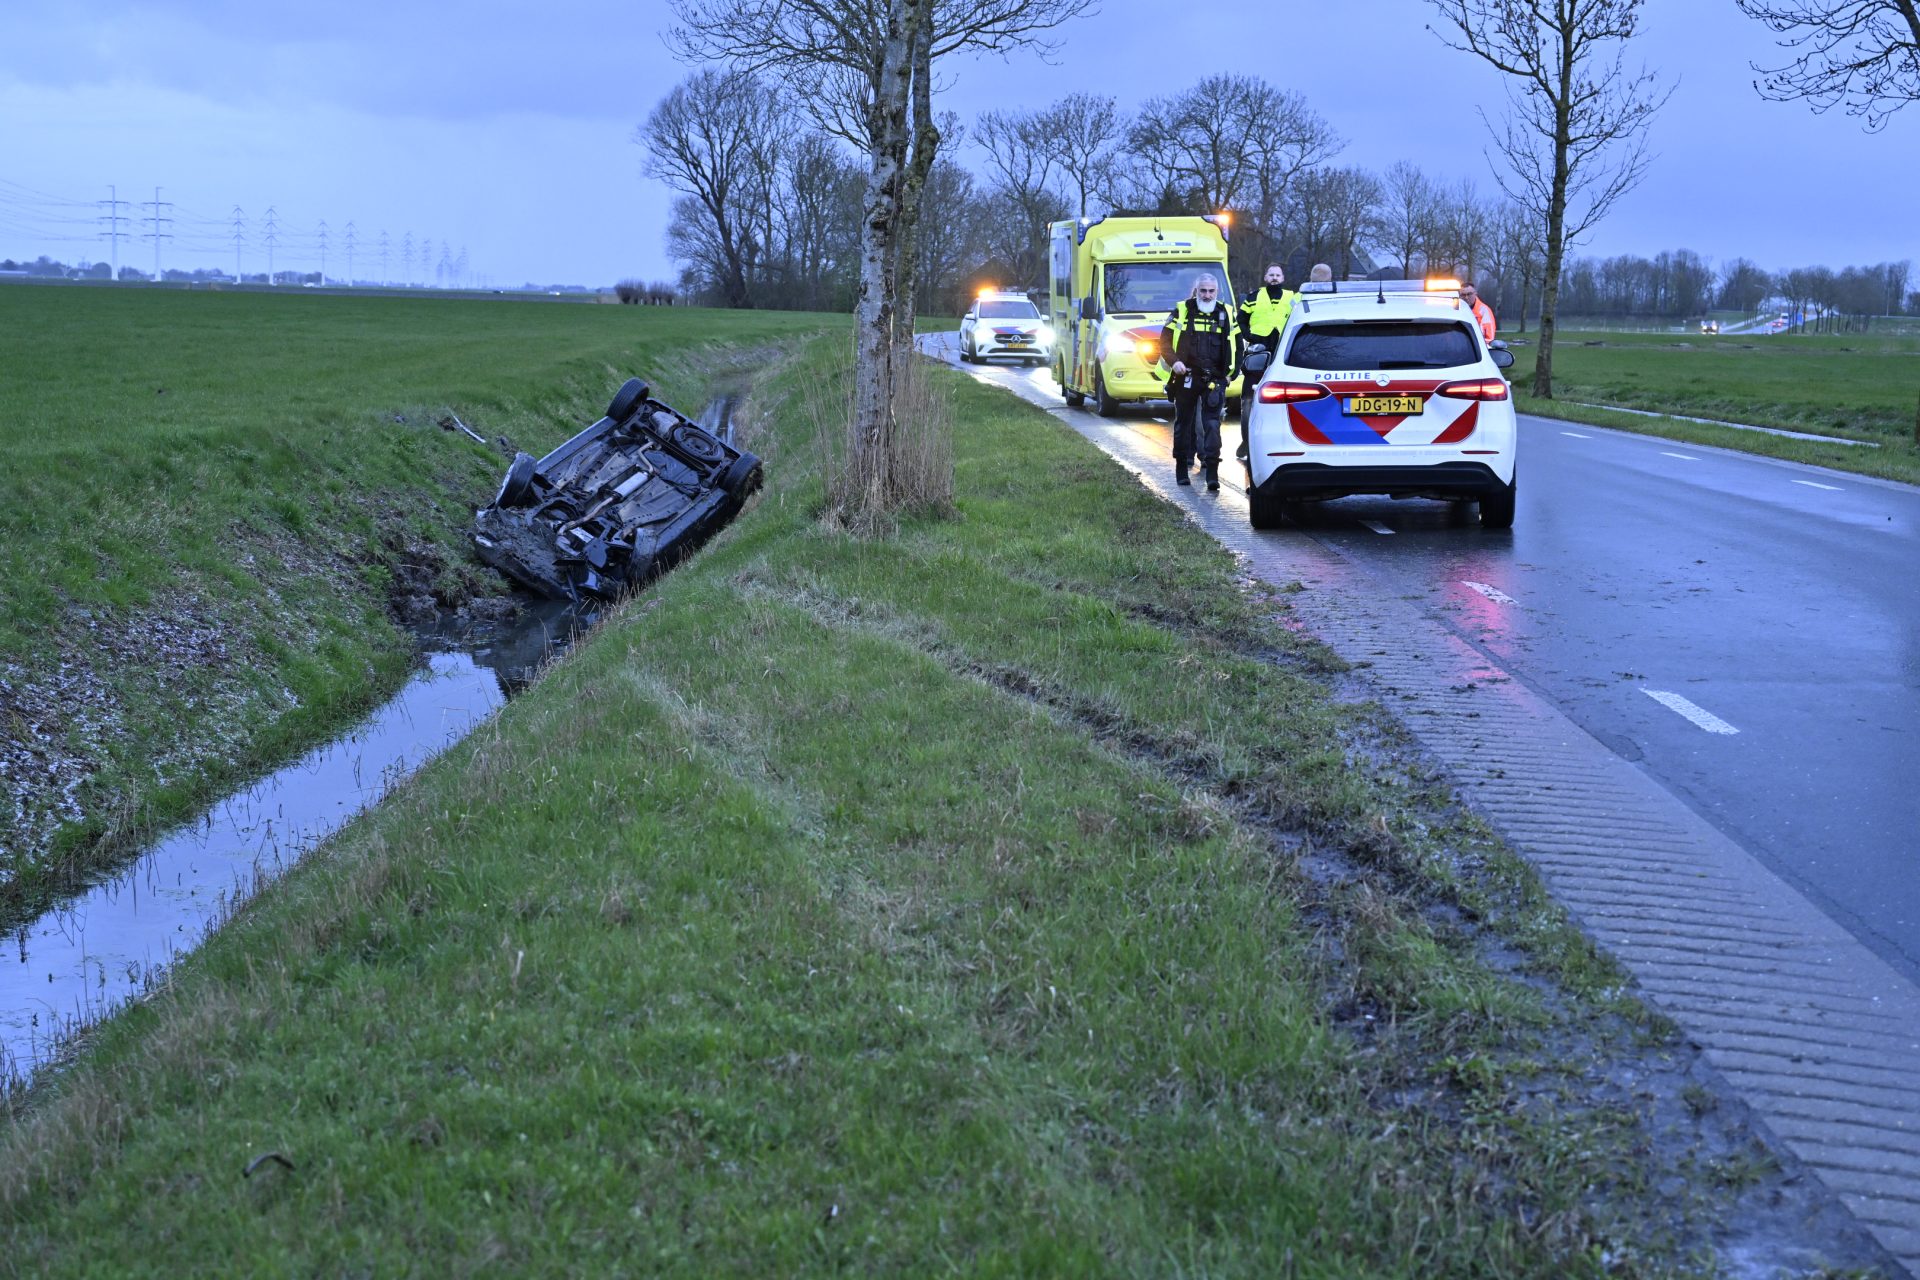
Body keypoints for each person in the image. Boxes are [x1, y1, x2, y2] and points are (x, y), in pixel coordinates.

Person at [1158, 273, 1237, 491]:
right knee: (1183, 424)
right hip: (1187, 377)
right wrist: (1174, 363)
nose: (1207, 295)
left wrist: (1232, 373)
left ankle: (1212, 472)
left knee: (1212, 425)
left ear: (1217, 291)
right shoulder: (1182, 310)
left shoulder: (1226, 313)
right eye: (1203, 290)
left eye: (1211, 291)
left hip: (1214, 378)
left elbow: (1238, 345)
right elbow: (1164, 342)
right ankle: (1181, 469)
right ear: (1196, 290)